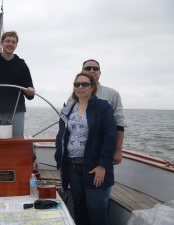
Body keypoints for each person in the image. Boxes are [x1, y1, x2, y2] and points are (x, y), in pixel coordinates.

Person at [55, 72, 117, 225]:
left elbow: (109, 137)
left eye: (85, 84)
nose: (80, 87)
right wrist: (60, 161)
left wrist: (102, 166)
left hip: (94, 166)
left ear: (92, 87)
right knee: (79, 207)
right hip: (73, 166)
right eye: (77, 84)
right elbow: (62, 136)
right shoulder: (69, 108)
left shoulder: (103, 107)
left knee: (96, 209)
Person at [82, 59, 126, 165]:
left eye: (95, 68)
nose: (92, 70)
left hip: (103, 150)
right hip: (79, 151)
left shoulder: (113, 94)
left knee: (101, 181)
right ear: (82, 72)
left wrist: (118, 150)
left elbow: (119, 123)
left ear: (100, 73)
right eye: (88, 68)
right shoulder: (74, 96)